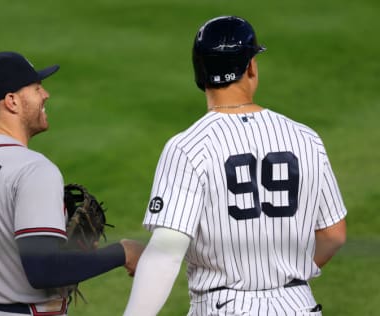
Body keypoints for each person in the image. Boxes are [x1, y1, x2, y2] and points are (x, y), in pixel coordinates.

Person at [123, 16, 347, 316]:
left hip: (223, 308)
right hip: (299, 305)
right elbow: (334, 235)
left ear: (200, 73)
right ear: (251, 67)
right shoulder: (306, 138)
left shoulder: (189, 146)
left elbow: (166, 253)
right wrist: (283, 274)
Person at [0, 51, 144, 316]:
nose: (46, 94)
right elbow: (44, 270)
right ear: (12, 101)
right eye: (36, 88)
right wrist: (123, 252)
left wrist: (71, 258)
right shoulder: (32, 169)